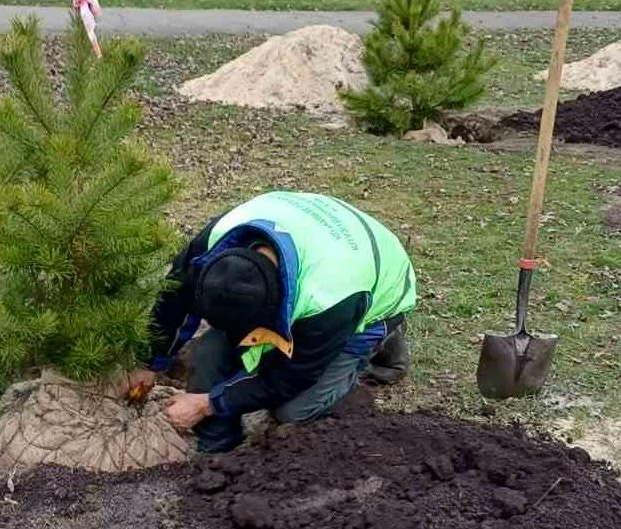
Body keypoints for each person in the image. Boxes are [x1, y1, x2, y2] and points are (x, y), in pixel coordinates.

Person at [127, 191, 415, 452]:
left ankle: (380, 342)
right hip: (314, 231)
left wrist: (207, 405)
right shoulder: (214, 243)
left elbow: (292, 376)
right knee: (207, 356)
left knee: (292, 410)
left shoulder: (328, 298)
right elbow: (176, 298)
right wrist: (152, 361)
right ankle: (219, 448)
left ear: (273, 306)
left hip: (379, 284)